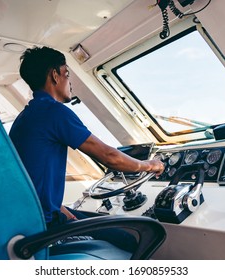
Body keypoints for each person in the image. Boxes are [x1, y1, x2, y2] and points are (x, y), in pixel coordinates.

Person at [9, 46, 164, 251]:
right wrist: (150, 165)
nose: (69, 82)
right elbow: (110, 157)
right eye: (66, 74)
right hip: (44, 226)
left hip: (34, 217)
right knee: (133, 238)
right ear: (55, 76)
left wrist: (60, 208)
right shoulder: (54, 112)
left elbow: (27, 177)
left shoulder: (23, 119)